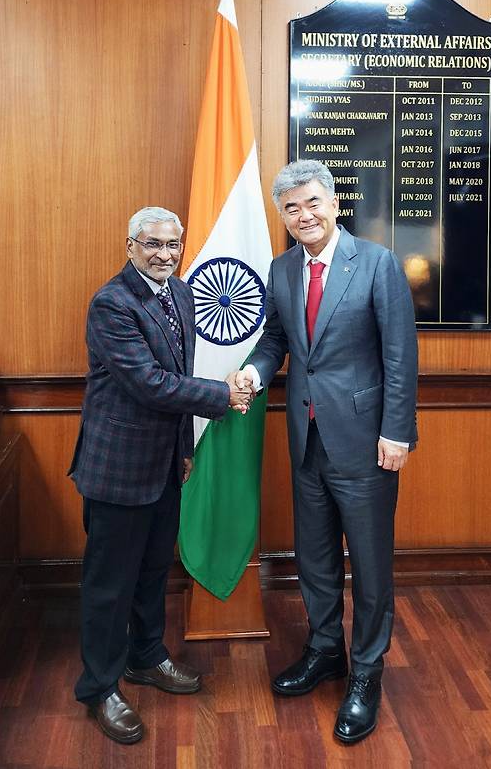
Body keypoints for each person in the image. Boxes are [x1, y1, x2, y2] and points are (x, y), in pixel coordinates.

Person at [233, 160, 418, 744]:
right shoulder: (282, 268)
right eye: (291, 208)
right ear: (283, 217)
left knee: (368, 565)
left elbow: (399, 356)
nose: (304, 215)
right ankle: (324, 650)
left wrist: (397, 430)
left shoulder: (378, 264)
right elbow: (277, 342)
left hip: (366, 442)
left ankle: (366, 672)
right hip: (306, 439)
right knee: (313, 559)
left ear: (334, 203)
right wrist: (254, 374)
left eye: (313, 203)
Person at [68, 206, 251, 744]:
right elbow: (148, 383)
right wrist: (224, 397)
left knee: (151, 574)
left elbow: (177, 375)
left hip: (166, 464)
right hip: (118, 470)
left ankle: (146, 658)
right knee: (109, 586)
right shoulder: (112, 303)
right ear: (130, 246)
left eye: (174, 245)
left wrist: (183, 448)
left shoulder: (183, 293)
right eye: (153, 245)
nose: (165, 254)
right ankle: (99, 687)